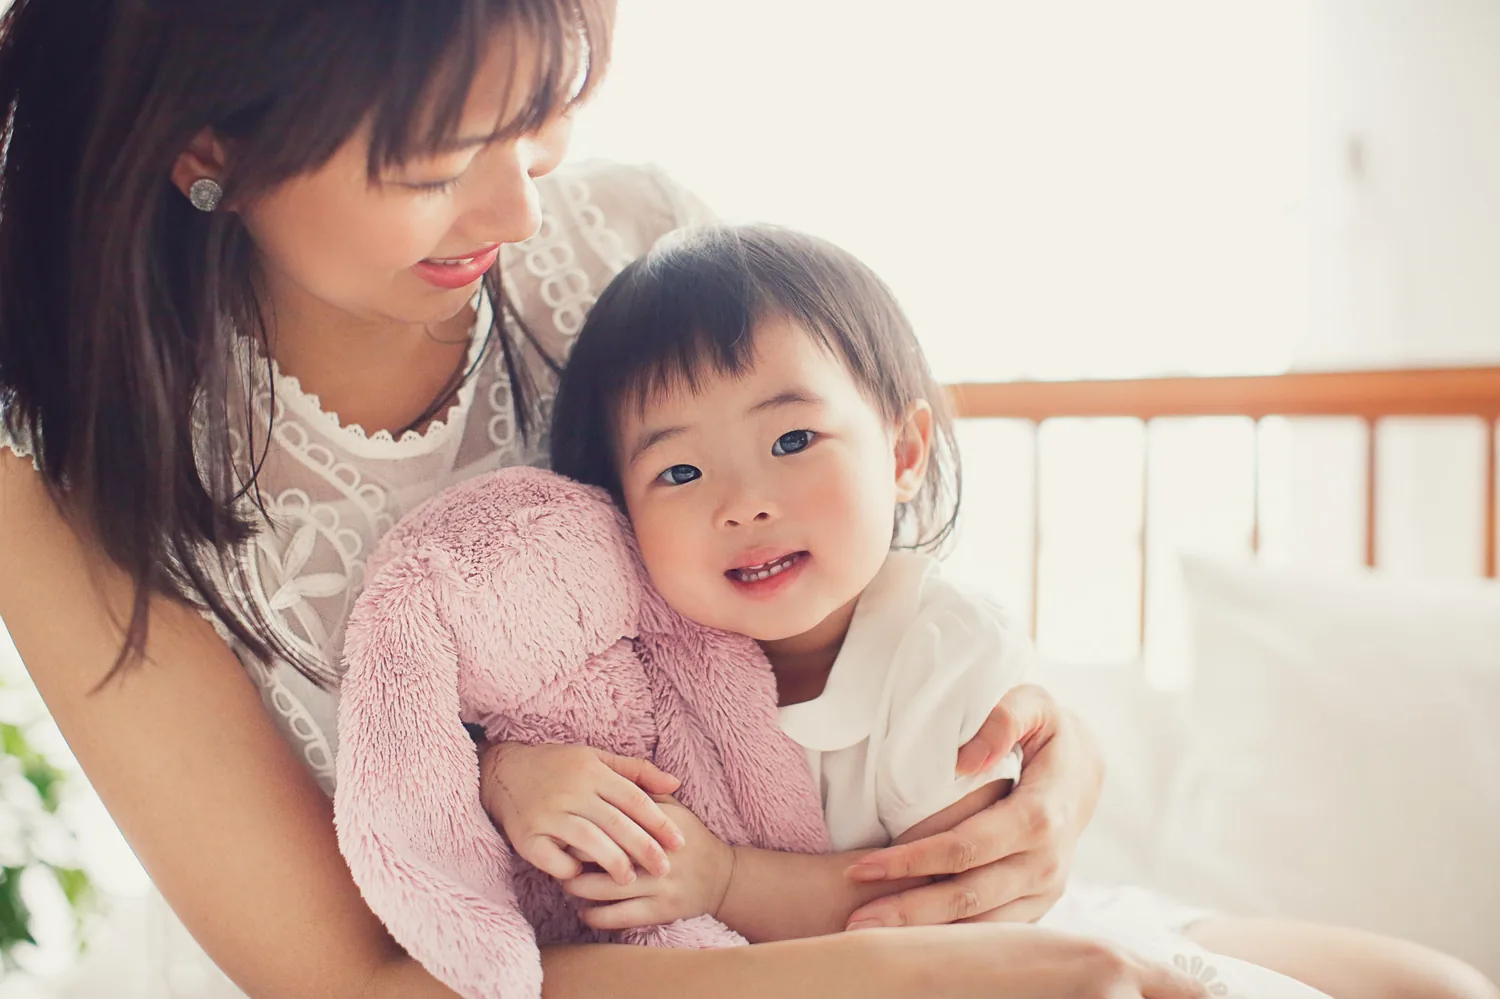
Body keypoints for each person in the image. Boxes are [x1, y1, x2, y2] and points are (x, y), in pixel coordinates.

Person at [0, 1, 1208, 997]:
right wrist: (891, 971)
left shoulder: (634, 242)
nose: (515, 213)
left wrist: (1057, 770)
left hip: (814, 924)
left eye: (535, 125)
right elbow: (350, 980)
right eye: (431, 165)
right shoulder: (67, 463)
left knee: (1389, 975)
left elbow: (852, 617)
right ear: (205, 145)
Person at [517, 223, 1493, 999]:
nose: (743, 500)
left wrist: (725, 878)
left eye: (793, 438)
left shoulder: (941, 643)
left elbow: (944, 913)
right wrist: (517, 772)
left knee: (1438, 987)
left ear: (902, 457)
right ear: (618, 514)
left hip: (1012, 954)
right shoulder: (629, 656)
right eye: (680, 469)